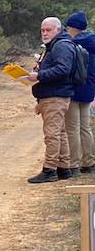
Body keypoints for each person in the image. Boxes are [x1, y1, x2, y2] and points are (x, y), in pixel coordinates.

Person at [24, 16, 80, 183]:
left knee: (52, 134)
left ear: (58, 29)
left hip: (55, 95)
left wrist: (39, 74)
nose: (45, 33)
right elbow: (58, 67)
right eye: (42, 30)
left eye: (48, 30)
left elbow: (63, 69)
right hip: (56, 94)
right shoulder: (56, 45)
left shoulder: (61, 45)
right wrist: (41, 69)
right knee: (60, 132)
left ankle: (49, 170)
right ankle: (64, 168)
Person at [64, 12, 95, 174]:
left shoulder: (71, 43)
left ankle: (73, 165)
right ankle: (88, 162)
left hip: (74, 89)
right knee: (85, 128)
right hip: (89, 89)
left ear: (72, 27)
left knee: (72, 129)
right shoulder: (92, 41)